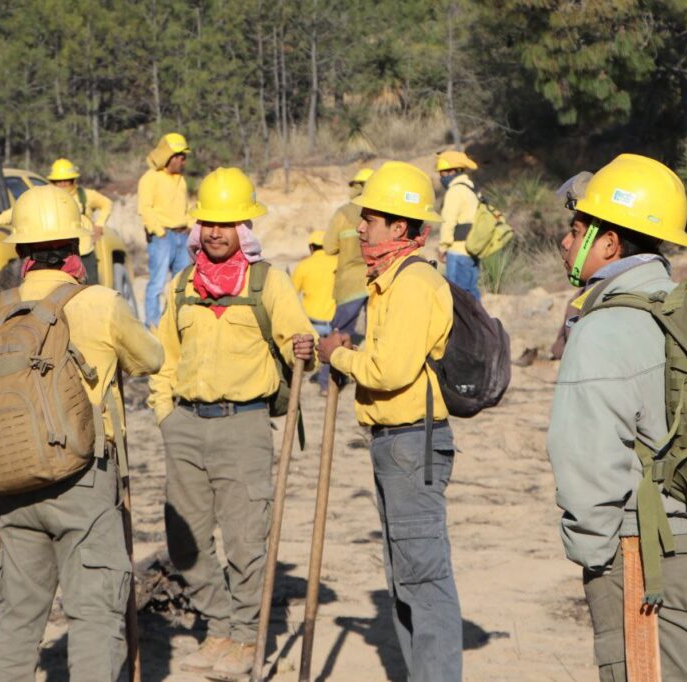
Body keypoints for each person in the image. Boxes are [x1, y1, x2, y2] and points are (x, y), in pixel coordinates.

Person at [546, 154, 687, 681]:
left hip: (649, 559)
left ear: (609, 243)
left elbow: (587, 459)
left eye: (576, 231)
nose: (566, 243)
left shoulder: (603, 328)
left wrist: (597, 561)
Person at [0, 185, 163, 681]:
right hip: (84, 476)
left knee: (18, 617)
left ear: (21, 250)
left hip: (14, 479)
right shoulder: (100, 302)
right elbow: (151, 359)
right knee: (94, 616)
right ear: (77, 247)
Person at [148, 167, 316, 678]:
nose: (216, 233)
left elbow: (298, 339)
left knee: (246, 542)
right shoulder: (181, 285)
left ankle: (244, 637)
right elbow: (164, 358)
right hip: (185, 424)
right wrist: (165, 415)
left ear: (244, 227)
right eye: (209, 224)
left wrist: (304, 347)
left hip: (243, 427)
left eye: (227, 224)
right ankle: (217, 627)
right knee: (186, 541)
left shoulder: (268, 283)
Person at [316, 161, 462, 682]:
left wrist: (338, 356)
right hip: (396, 443)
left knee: (423, 578)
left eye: (370, 220)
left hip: (411, 442)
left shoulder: (413, 283)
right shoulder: (390, 281)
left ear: (399, 227)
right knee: (405, 575)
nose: (360, 228)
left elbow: (390, 370)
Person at [0, 158, 113, 284]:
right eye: (58, 181)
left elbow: (107, 203)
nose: (63, 184)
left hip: (85, 251)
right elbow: (19, 211)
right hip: (58, 255)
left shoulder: (86, 195)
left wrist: (99, 224)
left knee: (89, 288)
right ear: (52, 181)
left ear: (73, 180)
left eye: (66, 180)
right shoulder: (46, 198)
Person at [138, 132, 191, 327]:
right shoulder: (150, 178)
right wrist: (159, 232)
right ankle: (153, 326)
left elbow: (186, 208)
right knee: (157, 283)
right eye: (181, 157)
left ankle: (179, 323)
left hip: (183, 236)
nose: (184, 161)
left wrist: (190, 225)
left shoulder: (181, 180)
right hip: (162, 237)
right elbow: (145, 208)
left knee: (182, 284)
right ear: (171, 157)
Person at [323, 167, 373, 343]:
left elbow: (329, 247)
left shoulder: (343, 213)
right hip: (377, 279)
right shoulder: (382, 213)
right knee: (375, 335)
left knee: (340, 335)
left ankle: (336, 361)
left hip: (350, 283)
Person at [291, 229, 337, 394]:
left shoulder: (304, 265)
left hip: (313, 321)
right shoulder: (338, 263)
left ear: (311, 247)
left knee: (311, 353)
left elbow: (292, 292)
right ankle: (326, 386)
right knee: (332, 354)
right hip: (334, 318)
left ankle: (302, 379)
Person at [436, 149, 481, 299]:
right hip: (472, 250)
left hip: (457, 252)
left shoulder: (455, 191)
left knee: (458, 299)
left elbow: (448, 222)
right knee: (471, 297)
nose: (440, 177)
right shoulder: (472, 188)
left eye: (442, 173)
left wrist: (443, 247)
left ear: (452, 171)